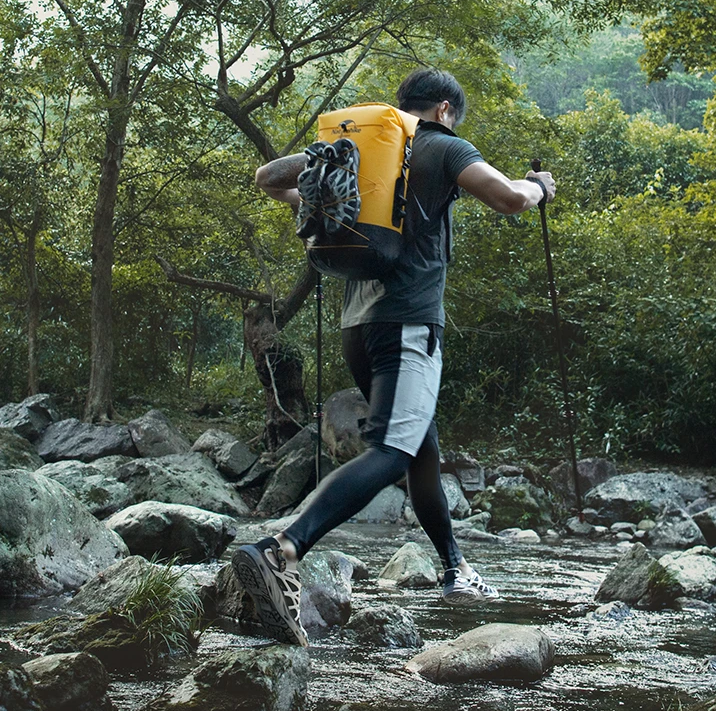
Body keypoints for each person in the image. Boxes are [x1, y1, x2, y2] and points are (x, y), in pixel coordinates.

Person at [232, 68, 556, 647]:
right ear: (446, 110)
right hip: (408, 323)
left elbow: (270, 180)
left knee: (420, 446)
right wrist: (539, 188)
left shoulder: (361, 156)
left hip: (360, 327)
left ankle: (456, 568)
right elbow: (508, 197)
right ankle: (281, 548)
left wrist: (320, 160)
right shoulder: (440, 144)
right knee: (393, 447)